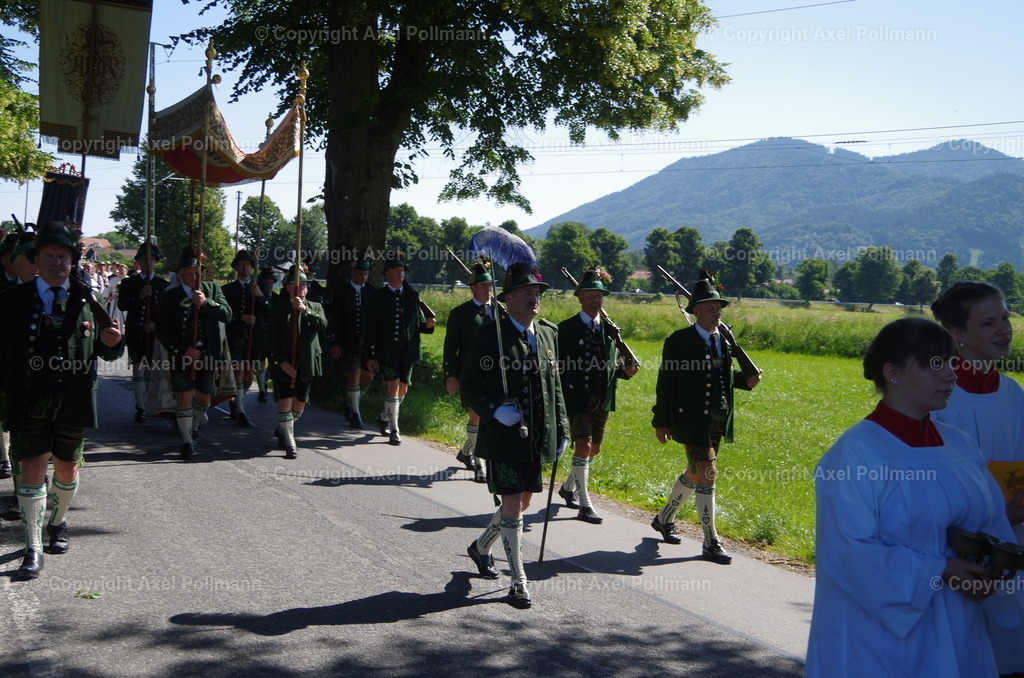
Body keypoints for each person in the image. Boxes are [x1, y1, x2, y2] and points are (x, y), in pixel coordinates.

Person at [805, 317, 1024, 677]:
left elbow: (991, 524)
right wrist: (940, 570)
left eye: (952, 363)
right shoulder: (856, 454)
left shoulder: (960, 445)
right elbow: (847, 553)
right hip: (886, 640)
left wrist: (992, 573)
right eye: (934, 365)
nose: (951, 376)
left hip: (962, 626)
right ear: (892, 372)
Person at [0, 221, 123, 580]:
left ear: (72, 263)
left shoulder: (88, 301)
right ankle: (33, 546)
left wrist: (114, 343)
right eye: (50, 256)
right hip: (28, 399)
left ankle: (58, 521)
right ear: (36, 261)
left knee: (67, 468)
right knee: (33, 468)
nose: (57, 262)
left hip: (74, 400)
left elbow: (109, 350)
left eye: (64, 257)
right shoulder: (10, 302)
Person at [459, 262, 569, 609]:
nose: (533, 298)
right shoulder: (490, 334)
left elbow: (556, 387)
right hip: (504, 437)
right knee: (510, 503)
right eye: (526, 293)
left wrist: (562, 426)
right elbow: (470, 384)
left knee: (521, 503)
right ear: (508, 299)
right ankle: (518, 581)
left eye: (536, 293)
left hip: (537, 437)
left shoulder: (549, 333)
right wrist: (493, 410)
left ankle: (480, 547)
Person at [931, 282, 1024, 677]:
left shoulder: (1014, 394)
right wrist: (998, 515)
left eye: (1004, 317)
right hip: (959, 549)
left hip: (1015, 542)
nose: (1004, 328)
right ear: (957, 333)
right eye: (988, 322)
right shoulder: (939, 397)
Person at [650, 277, 760, 564]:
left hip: (718, 418)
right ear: (695, 311)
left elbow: (722, 379)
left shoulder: (723, 341)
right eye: (710, 308)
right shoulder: (679, 341)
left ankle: (664, 518)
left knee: (697, 473)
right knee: (709, 473)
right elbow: (666, 383)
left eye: (718, 308)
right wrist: (661, 420)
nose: (717, 312)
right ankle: (710, 541)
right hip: (691, 420)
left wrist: (746, 380)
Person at [556, 267, 638, 523]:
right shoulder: (565, 329)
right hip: (576, 396)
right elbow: (558, 367)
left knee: (595, 449)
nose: (595, 301)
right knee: (584, 445)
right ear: (580, 298)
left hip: (602, 397)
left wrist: (626, 370)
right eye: (590, 296)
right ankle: (585, 503)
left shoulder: (611, 331)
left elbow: (613, 365)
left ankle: (568, 487)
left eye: (599, 296)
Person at [156, 247, 232, 460]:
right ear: (181, 273)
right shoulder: (171, 295)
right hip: (182, 356)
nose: (193, 276)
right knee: (185, 396)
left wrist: (206, 303)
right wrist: (183, 350)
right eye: (189, 272)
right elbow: (162, 329)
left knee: (205, 397)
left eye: (197, 272)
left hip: (208, 355)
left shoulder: (213, 289)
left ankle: (194, 427)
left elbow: (227, 315)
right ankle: (187, 441)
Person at [364, 255, 435, 445]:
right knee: (393, 388)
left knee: (403, 389)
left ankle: (384, 417)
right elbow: (370, 327)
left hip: (408, 351)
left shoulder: (412, 296)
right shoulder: (379, 297)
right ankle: (395, 429)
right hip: (387, 351)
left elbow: (416, 323)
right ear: (387, 273)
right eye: (396, 269)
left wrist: (427, 324)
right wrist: (371, 354)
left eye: (402, 269)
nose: (400, 272)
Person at [442, 261, 496, 483]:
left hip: (493, 375)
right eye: (483, 286)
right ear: (473, 288)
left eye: (490, 285)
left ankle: (466, 451)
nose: (488, 289)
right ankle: (478, 461)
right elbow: (449, 348)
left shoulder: (500, 312)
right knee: (477, 415)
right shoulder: (460, 314)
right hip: (469, 375)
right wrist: (451, 375)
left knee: (486, 418)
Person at [267, 265, 327, 459]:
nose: (300, 289)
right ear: (287, 288)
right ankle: (291, 443)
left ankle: (283, 428)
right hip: (284, 364)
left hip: (306, 364)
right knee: (285, 400)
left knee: (300, 403)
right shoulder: (278, 310)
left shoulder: (315, 307)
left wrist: (304, 311)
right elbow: (271, 341)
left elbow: (322, 324)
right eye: (295, 286)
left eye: (303, 286)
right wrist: (282, 363)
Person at [116, 243, 169, 422]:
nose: (147, 263)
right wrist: (138, 297)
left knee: (152, 369)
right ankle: (140, 405)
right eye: (143, 260)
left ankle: (149, 401)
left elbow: (167, 312)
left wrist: (155, 324)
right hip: (136, 332)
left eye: (151, 260)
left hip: (155, 334)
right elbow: (122, 305)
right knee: (138, 367)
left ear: (156, 262)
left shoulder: (163, 285)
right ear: (138, 262)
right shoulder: (128, 283)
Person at [327, 258, 376, 428]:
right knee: (354, 374)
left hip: (367, 343)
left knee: (368, 377)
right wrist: (334, 342)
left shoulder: (371, 291)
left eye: (366, 274)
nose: (363, 277)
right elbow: (335, 319)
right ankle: (356, 413)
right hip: (348, 341)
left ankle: (350, 401)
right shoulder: (342, 292)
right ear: (353, 273)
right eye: (361, 273)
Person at [221, 250, 267, 428]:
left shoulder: (258, 288)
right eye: (241, 264)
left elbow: (269, 312)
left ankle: (236, 400)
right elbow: (224, 314)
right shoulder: (227, 289)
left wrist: (260, 297)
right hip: (236, 338)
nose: (244, 267)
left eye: (247, 264)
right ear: (236, 267)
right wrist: (241, 317)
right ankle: (241, 410)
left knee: (248, 376)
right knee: (238, 372)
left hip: (254, 339)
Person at [254, 267, 277, 402]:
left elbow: (273, 314)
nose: (269, 286)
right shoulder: (255, 298)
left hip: (273, 336)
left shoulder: (276, 297)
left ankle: (267, 382)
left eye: (271, 283)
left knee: (273, 362)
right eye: (266, 283)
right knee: (260, 362)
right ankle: (262, 389)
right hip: (261, 336)